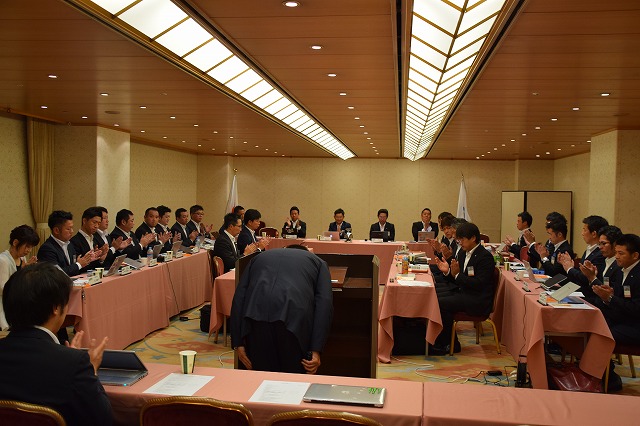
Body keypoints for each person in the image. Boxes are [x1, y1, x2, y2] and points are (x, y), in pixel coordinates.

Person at [0, 262, 112, 426]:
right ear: (56, 308)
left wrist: (69, 356)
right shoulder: (74, 363)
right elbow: (103, 419)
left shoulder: (71, 361)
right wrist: (91, 371)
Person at [231, 245, 333, 374]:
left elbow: (239, 298)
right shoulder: (318, 262)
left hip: (255, 318)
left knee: (261, 375)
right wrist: (316, 349)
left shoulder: (258, 258)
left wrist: (238, 342)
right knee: (292, 378)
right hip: (294, 321)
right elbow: (324, 303)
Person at [586, 234, 640, 392]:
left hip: (635, 325)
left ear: (635, 255)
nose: (616, 256)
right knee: (591, 325)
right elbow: (619, 298)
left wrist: (610, 298)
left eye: (621, 253)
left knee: (602, 333)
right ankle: (595, 374)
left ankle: (608, 379)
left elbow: (636, 309)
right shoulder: (621, 270)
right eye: (616, 252)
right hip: (623, 318)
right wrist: (608, 296)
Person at [432, 222, 495, 355]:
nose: (460, 243)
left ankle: (449, 344)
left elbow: (479, 284)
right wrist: (448, 272)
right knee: (434, 297)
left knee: (441, 303)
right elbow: (457, 279)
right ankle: (442, 339)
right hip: (464, 292)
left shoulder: (485, 257)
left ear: (473, 238)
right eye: (458, 240)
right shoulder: (462, 253)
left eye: (462, 240)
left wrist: (457, 275)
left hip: (477, 299)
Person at [0, 225, 39, 330]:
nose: (29, 250)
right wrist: (21, 273)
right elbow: (3, 288)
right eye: (27, 246)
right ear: (15, 242)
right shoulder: (3, 260)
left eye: (31, 247)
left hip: (18, 302)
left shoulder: (22, 258)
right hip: (4, 306)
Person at [38, 210, 98, 276]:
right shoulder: (47, 249)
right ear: (56, 230)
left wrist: (87, 260)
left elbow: (73, 269)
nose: (72, 231)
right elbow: (56, 274)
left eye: (72, 228)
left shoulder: (69, 245)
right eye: (68, 229)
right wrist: (79, 264)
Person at [558, 215, 608, 288]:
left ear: (594, 234)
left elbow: (586, 278)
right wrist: (569, 263)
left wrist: (569, 268)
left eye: (584, 230)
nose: (582, 233)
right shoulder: (589, 249)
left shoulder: (600, 254)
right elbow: (580, 273)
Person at [578, 225, 623, 304]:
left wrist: (592, 277)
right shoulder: (605, 261)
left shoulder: (619, 265)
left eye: (603, 243)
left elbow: (609, 294)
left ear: (615, 244)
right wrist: (592, 276)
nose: (600, 247)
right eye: (599, 244)